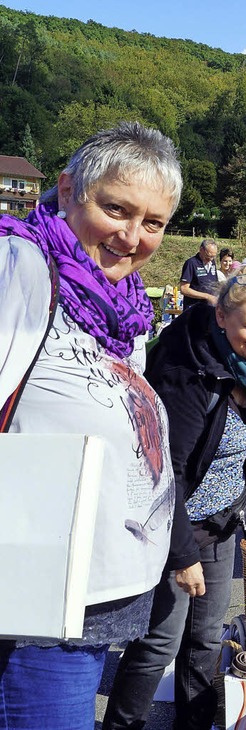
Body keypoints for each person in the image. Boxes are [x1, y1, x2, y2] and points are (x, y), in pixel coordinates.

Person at [0, 122, 181, 728]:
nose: (133, 237)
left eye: (153, 223)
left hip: (88, 604)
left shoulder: (120, 313)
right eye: (115, 209)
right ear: (69, 190)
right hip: (29, 607)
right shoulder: (19, 269)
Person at [103, 268, 246, 730]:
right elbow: (170, 475)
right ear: (222, 317)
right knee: (159, 645)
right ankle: (121, 726)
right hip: (174, 529)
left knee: (207, 639)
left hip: (223, 524)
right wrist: (181, 553)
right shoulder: (191, 377)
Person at [180, 238, 221, 308]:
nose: (210, 259)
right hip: (194, 308)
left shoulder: (212, 262)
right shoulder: (191, 263)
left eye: (213, 257)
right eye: (208, 256)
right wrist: (207, 296)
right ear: (201, 250)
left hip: (209, 307)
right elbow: (184, 289)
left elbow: (215, 284)